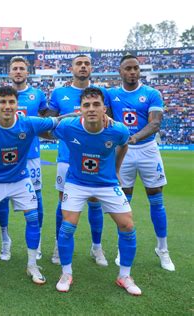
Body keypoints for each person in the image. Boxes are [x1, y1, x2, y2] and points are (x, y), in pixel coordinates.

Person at [0, 86, 67, 285]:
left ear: (17, 104)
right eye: (3, 102)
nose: (7, 106)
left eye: (11, 102)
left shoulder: (29, 123)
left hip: (20, 180)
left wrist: (88, 115)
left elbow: (59, 120)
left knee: (33, 218)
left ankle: (32, 265)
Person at [53, 87, 141, 296]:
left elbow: (124, 146)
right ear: (80, 109)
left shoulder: (118, 130)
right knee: (67, 227)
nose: (91, 109)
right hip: (76, 182)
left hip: (107, 183)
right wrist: (70, 115)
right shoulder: (69, 126)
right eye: (86, 105)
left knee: (127, 225)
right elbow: (47, 126)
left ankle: (124, 276)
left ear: (104, 108)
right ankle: (66, 273)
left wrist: (117, 171)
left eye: (96, 105)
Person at [107, 55, 175, 271]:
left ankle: (162, 249)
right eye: (128, 68)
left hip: (147, 150)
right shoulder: (111, 95)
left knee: (156, 200)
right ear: (120, 72)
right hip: (123, 152)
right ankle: (122, 247)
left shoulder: (151, 93)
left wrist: (135, 137)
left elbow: (155, 123)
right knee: (123, 202)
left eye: (136, 68)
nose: (133, 72)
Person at [47, 54, 108, 266]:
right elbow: (50, 123)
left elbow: (111, 121)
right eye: (79, 64)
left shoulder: (102, 93)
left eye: (87, 64)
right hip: (67, 157)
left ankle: (96, 247)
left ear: (91, 68)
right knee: (63, 202)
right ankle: (58, 244)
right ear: (71, 68)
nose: (83, 67)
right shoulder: (59, 93)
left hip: (96, 157)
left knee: (95, 202)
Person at [0, 56, 49, 261]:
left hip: (31, 156)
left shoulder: (37, 95)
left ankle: (38, 242)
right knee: (1, 198)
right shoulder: (1, 95)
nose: (18, 71)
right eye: (14, 68)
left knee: (37, 198)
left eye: (21, 68)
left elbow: (45, 121)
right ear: (10, 73)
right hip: (4, 154)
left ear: (27, 72)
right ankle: (5, 240)